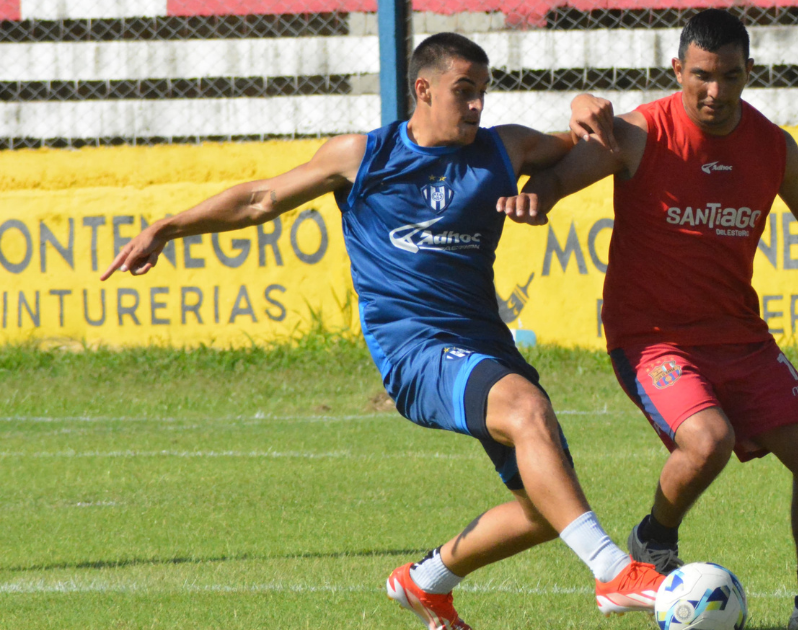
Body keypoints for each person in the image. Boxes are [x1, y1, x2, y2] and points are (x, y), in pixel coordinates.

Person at [101, 32, 664, 630]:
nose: (477, 105)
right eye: (464, 91)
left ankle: (425, 583)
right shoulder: (362, 156)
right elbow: (259, 199)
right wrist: (168, 226)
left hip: (485, 347)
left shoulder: (505, 147)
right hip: (415, 351)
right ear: (423, 89)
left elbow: (600, 141)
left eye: (483, 91)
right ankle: (614, 573)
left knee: (545, 509)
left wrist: (582, 107)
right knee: (527, 410)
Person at [496, 10, 798, 629]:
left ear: (749, 72)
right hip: (651, 339)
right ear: (677, 70)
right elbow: (559, 174)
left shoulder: (773, 146)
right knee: (708, 440)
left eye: (730, 76)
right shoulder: (643, 133)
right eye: (702, 77)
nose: (715, 91)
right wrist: (540, 197)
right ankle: (654, 539)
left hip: (740, 337)